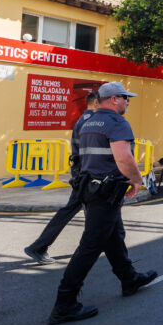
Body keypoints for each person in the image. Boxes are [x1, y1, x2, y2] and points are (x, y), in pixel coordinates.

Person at [48, 81, 157, 325]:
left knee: (114, 236)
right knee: (90, 246)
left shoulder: (87, 122)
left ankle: (129, 279)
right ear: (114, 99)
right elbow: (124, 158)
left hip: (90, 189)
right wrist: (136, 180)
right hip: (105, 192)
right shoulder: (117, 122)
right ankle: (64, 304)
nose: (128, 101)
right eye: (125, 97)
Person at [24, 90, 100, 264]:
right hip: (85, 174)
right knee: (73, 210)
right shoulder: (91, 121)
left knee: (90, 211)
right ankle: (38, 247)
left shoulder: (85, 119)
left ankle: (95, 244)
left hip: (83, 172)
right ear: (96, 102)